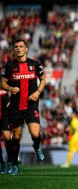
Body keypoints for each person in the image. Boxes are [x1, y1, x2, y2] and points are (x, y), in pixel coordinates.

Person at [0, 39, 46, 175]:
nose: (18, 49)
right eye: (16, 47)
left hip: (31, 105)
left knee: (35, 133)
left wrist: (37, 92)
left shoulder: (35, 64)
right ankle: (15, 164)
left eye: (21, 46)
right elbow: (2, 83)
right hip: (15, 107)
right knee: (17, 136)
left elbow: (43, 80)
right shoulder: (9, 66)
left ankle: (37, 146)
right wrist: (9, 88)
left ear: (26, 49)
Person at [0, 88, 9, 174]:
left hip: (5, 117)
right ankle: (2, 163)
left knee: (7, 138)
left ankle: (10, 161)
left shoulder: (5, 88)